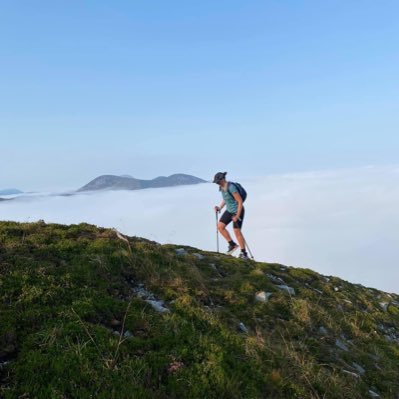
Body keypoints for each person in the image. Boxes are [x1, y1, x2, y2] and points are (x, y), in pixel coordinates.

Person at [213, 172, 249, 260]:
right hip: (229, 210)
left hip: (238, 210)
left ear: (222, 179)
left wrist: (237, 215)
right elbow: (226, 199)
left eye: (218, 181)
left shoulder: (231, 187)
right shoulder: (221, 187)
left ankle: (244, 253)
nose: (217, 183)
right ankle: (232, 245)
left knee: (237, 231)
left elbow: (240, 201)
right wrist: (219, 207)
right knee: (220, 226)